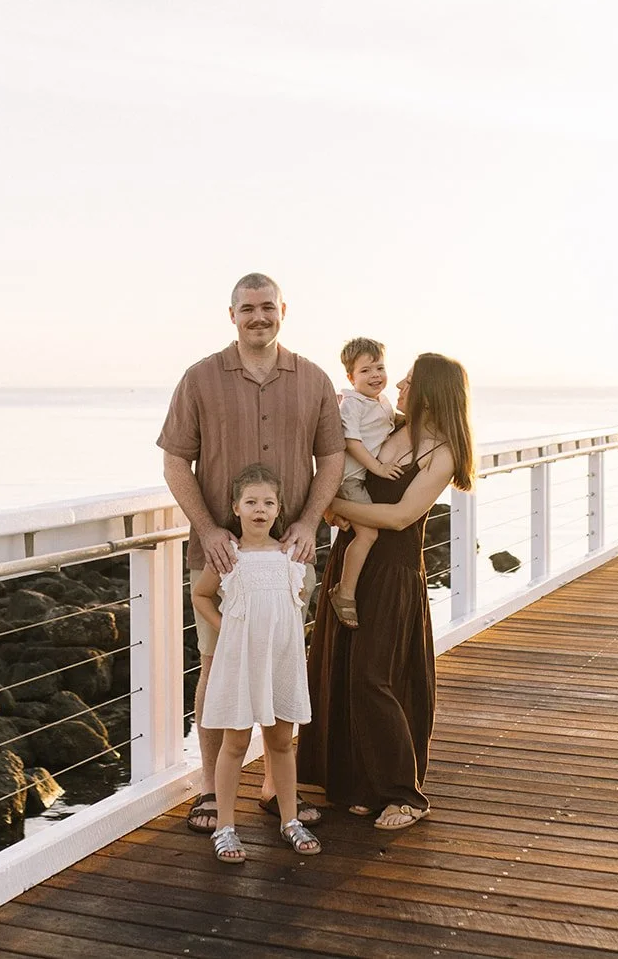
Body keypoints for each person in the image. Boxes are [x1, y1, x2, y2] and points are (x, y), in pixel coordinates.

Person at [157, 272, 345, 835]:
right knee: (217, 668)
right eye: (247, 309)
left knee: (281, 664)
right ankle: (212, 792)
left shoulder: (311, 379)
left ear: (283, 310)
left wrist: (310, 521)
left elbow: (332, 457)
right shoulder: (199, 378)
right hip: (221, 557)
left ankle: (271, 786)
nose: (257, 317)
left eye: (267, 307)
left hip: (290, 557)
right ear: (231, 314)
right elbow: (174, 462)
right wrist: (208, 528)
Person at [298, 352, 475, 830]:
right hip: (351, 560)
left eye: (411, 380)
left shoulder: (443, 453)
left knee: (375, 677)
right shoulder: (391, 428)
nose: (397, 382)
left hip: (392, 572)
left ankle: (405, 794)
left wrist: (328, 505)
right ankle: (361, 785)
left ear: (433, 391)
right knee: (339, 671)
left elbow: (400, 517)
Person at [191, 465, 321, 862]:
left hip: (280, 660)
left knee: (281, 741)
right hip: (242, 661)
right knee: (236, 742)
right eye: (251, 502)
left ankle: (289, 820)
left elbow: (293, 602)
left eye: (268, 503)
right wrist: (229, 628)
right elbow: (201, 597)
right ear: (236, 508)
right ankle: (227, 828)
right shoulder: (228, 557)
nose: (260, 510)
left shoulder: (290, 556)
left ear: (279, 509)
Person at [328, 337, 399, 628]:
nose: (375, 376)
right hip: (350, 478)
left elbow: (393, 423)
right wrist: (379, 468)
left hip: (361, 477)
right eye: (366, 370)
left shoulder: (382, 401)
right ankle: (344, 593)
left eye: (380, 368)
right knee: (368, 535)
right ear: (350, 377)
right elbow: (352, 442)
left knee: (361, 530)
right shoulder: (352, 403)